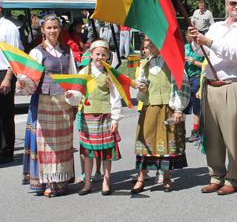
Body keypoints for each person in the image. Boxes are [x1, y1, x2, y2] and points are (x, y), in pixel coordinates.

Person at [188, 0, 237, 195]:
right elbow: (201, 51)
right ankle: (216, 175)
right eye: (233, 3)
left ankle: (233, 179)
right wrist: (195, 39)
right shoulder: (216, 27)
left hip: (232, 84)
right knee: (213, 135)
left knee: (231, 136)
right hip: (210, 84)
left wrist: (207, 41)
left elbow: (236, 54)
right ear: (226, 5)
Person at [18, 14, 80, 197]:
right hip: (44, 101)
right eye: (49, 28)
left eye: (55, 27)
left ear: (60, 29)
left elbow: (72, 77)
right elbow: (30, 77)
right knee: (46, 144)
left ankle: (61, 179)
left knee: (62, 142)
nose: (53, 31)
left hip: (63, 101)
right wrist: (23, 82)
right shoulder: (37, 52)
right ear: (43, 30)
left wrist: (74, 99)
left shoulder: (66, 52)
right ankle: (46, 182)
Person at [132, 35, 190, 194]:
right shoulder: (144, 64)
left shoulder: (171, 62)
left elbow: (180, 84)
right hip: (150, 107)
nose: (149, 43)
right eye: (146, 40)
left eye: (152, 39)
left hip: (167, 107)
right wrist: (142, 88)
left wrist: (178, 109)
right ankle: (141, 178)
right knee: (146, 141)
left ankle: (166, 177)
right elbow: (141, 85)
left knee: (167, 141)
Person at [73, 40, 124, 196]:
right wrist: (71, 95)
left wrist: (115, 119)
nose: (100, 57)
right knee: (88, 153)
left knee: (106, 152)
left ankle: (106, 181)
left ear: (107, 56)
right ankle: (87, 183)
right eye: (97, 54)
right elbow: (77, 92)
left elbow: (115, 98)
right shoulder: (83, 73)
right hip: (88, 117)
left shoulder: (109, 74)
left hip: (105, 116)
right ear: (91, 54)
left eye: (103, 54)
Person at [0, 0, 22, 164]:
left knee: (5, 113)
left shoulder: (9, 27)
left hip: (4, 72)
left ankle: (7, 151)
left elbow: (13, 55)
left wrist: (8, 78)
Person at [184, 31, 205, 142]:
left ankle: (196, 131)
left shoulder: (201, 49)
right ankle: (181, 130)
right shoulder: (185, 47)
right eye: (188, 41)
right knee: (183, 105)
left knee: (197, 106)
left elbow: (206, 65)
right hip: (186, 78)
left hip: (196, 77)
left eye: (192, 41)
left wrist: (194, 62)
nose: (190, 44)